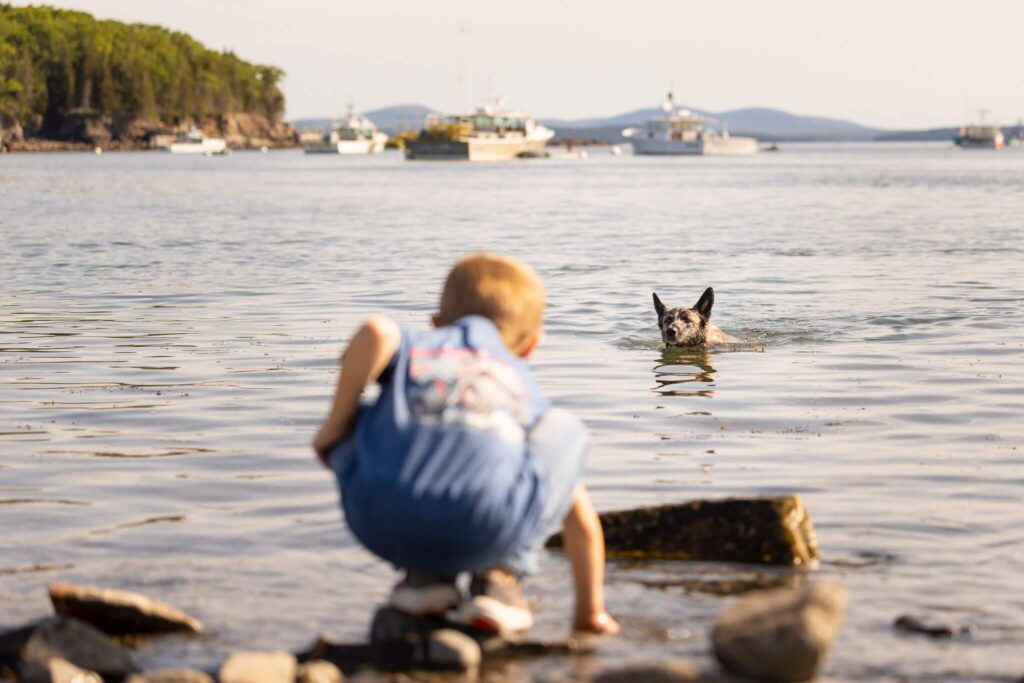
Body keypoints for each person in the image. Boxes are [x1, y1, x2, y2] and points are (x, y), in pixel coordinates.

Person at [313, 253, 619, 636]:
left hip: (377, 520)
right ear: (530, 346)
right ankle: (500, 581)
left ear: (437, 323)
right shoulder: (519, 388)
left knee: (378, 411)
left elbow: (375, 332)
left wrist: (333, 428)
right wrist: (590, 613)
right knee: (564, 429)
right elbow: (582, 521)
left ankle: (424, 583)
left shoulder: (418, 347)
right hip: (484, 528)